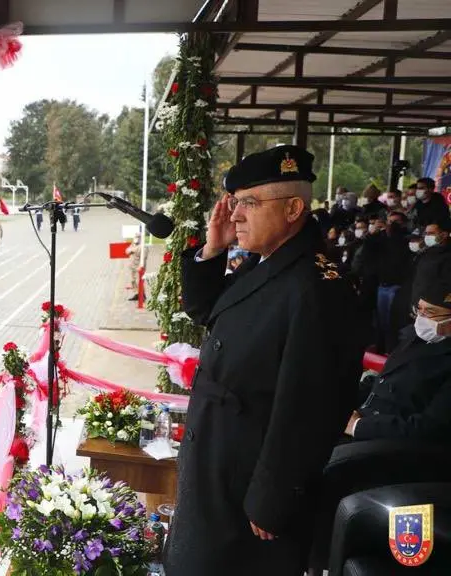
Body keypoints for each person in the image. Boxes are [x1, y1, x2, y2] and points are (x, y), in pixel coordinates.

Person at [164, 145, 365, 576]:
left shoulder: (316, 287)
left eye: (249, 203)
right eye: (235, 203)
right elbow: (211, 312)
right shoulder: (269, 265)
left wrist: (274, 497)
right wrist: (212, 251)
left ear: (293, 208)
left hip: (252, 494)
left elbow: (311, 406)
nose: (235, 215)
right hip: (220, 466)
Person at [345, 253, 451, 442]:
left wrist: (358, 427)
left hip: (393, 448)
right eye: (420, 310)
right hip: (366, 421)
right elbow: (384, 381)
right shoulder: (412, 337)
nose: (422, 318)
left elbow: (430, 427)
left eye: (432, 313)